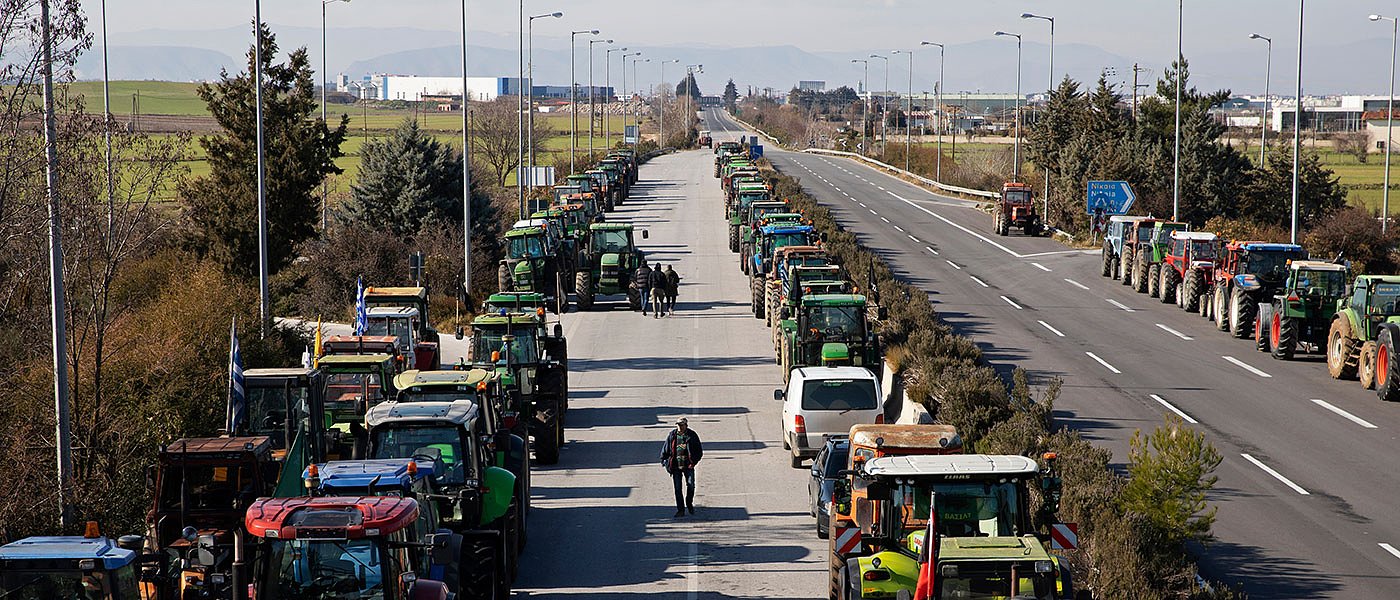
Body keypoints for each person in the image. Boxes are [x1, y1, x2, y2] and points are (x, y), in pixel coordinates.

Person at [660, 417, 703, 516]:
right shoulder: (672, 435)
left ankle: (689, 503)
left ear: (686, 425)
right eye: (678, 425)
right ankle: (681, 510)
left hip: (688, 466)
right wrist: (665, 462)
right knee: (678, 489)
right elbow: (665, 450)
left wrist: (694, 462)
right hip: (676, 467)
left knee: (691, 485)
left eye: (681, 425)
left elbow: (699, 451)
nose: (679, 427)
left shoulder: (692, 435)